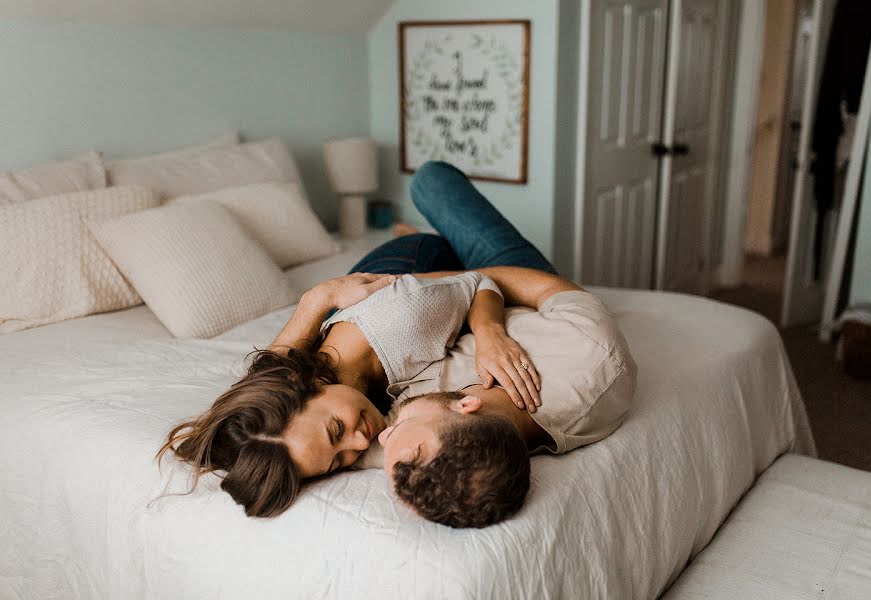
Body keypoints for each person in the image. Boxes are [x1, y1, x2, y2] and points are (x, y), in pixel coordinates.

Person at [158, 161, 635, 525]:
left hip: (418, 274)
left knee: (430, 181)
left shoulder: (397, 324)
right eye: (339, 461)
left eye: (336, 433)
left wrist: (322, 296)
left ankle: (426, 238)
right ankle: (445, 247)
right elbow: (265, 390)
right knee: (448, 244)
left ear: (305, 387)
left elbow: (480, 281)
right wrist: (316, 300)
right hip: (441, 303)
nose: (366, 440)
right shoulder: (383, 438)